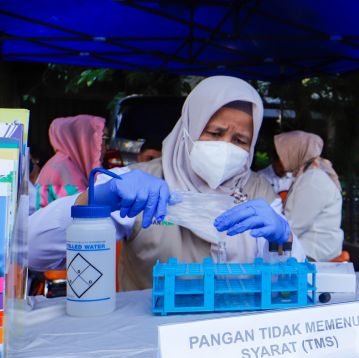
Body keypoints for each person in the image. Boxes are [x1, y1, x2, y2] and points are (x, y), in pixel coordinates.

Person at [28, 76, 304, 290]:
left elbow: (289, 279)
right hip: (151, 344)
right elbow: (29, 251)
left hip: (232, 340)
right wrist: (92, 202)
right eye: (215, 132)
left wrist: (286, 239)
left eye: (240, 140)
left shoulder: (259, 192)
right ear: (188, 129)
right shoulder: (141, 183)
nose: (225, 147)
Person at [274, 131, 344, 261]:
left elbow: (295, 225)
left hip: (313, 253)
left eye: (283, 153)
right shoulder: (308, 174)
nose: (280, 159)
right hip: (311, 249)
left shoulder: (313, 179)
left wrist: (268, 244)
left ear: (296, 152)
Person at [35, 115, 106, 211]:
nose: (104, 146)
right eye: (103, 138)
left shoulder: (65, 164)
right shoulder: (62, 168)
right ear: (84, 139)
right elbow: (84, 210)